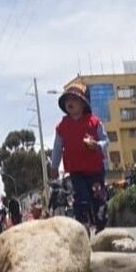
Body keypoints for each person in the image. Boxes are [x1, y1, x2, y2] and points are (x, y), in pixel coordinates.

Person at [49, 85, 109, 233]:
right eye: (67, 99)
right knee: (81, 199)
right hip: (76, 171)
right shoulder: (62, 127)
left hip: (95, 170)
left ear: (83, 103)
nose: (70, 102)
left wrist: (97, 145)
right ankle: (83, 226)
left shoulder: (94, 122)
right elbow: (57, 148)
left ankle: (101, 226)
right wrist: (54, 167)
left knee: (97, 198)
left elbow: (105, 141)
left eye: (74, 99)